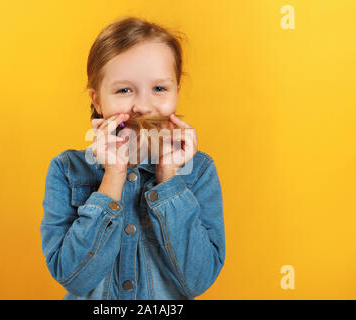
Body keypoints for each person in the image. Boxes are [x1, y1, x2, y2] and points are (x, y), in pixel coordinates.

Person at [39, 16, 225, 300]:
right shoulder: (66, 170)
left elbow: (198, 280)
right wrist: (113, 176)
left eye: (160, 88)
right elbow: (73, 277)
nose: (143, 105)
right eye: (124, 90)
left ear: (177, 92)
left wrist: (169, 180)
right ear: (97, 101)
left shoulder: (198, 172)